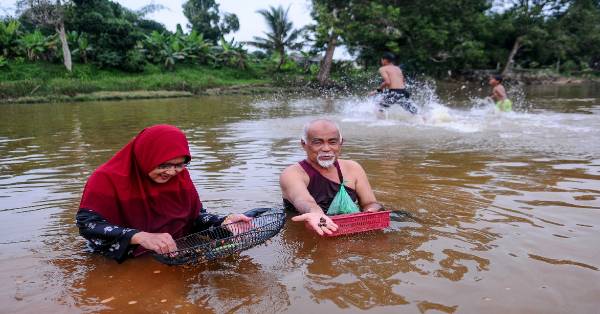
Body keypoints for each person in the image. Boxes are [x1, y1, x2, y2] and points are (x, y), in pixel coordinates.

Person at [75, 124, 251, 263]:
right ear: (146, 156)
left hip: (175, 252)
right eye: (163, 165)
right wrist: (139, 236)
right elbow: (88, 225)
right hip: (122, 257)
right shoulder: (106, 178)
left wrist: (223, 222)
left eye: (179, 164)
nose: (172, 172)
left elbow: (195, 218)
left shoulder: (181, 177)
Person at [280, 119, 383, 236]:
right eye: (318, 142)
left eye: (332, 142)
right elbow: (303, 200)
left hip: (350, 230)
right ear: (304, 144)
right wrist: (315, 213)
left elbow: (370, 202)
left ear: (341, 143)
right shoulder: (292, 173)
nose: (326, 148)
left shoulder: (353, 168)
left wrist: (371, 212)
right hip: (310, 232)